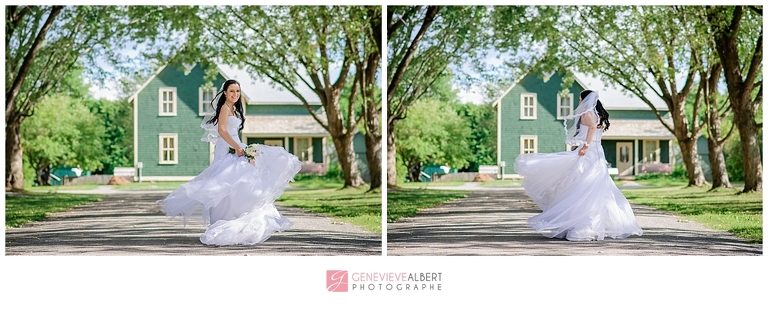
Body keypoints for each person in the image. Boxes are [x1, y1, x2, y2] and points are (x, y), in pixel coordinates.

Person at [157, 80, 302, 246]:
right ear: (225, 92)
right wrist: (237, 147)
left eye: (238, 91)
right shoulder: (225, 108)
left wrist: (244, 149)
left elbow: (233, 132)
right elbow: (222, 131)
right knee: (225, 183)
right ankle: (224, 219)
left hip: (237, 146)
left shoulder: (234, 108)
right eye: (232, 91)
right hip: (227, 148)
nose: (235, 94)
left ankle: (239, 218)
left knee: (242, 182)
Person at [514, 90, 643, 241]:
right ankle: (587, 223)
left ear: (584, 99)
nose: (579, 101)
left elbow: (592, 128)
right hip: (598, 152)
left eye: (580, 98)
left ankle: (581, 224)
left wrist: (585, 146)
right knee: (595, 187)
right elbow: (595, 129)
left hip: (589, 151)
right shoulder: (598, 114)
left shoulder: (587, 114)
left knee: (583, 185)